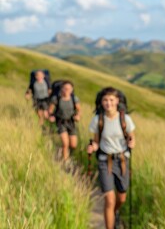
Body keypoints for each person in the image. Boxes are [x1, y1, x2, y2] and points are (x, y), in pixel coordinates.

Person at [87, 87, 135, 229]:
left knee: (121, 198)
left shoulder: (125, 119)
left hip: (122, 161)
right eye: (105, 100)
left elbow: (133, 139)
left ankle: (115, 212)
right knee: (109, 199)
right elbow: (96, 141)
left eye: (111, 100)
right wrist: (93, 147)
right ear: (101, 102)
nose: (108, 103)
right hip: (104, 160)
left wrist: (131, 143)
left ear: (117, 101)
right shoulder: (98, 120)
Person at [48, 80, 81, 163]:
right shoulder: (56, 98)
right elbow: (50, 110)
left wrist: (78, 116)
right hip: (61, 122)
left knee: (73, 145)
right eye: (65, 88)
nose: (67, 90)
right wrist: (51, 116)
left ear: (72, 89)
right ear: (61, 89)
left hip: (71, 122)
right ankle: (65, 162)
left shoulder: (74, 98)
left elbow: (79, 110)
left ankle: (66, 153)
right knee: (65, 144)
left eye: (69, 88)